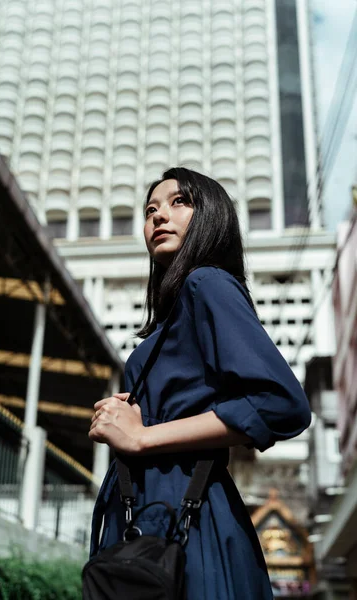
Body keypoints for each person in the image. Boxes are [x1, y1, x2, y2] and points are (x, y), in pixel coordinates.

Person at [88, 167, 311, 599]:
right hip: (150, 516)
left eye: (178, 202)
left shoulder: (205, 282)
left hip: (183, 513)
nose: (158, 216)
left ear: (210, 215)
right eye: (150, 209)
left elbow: (281, 403)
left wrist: (142, 436)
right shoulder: (170, 320)